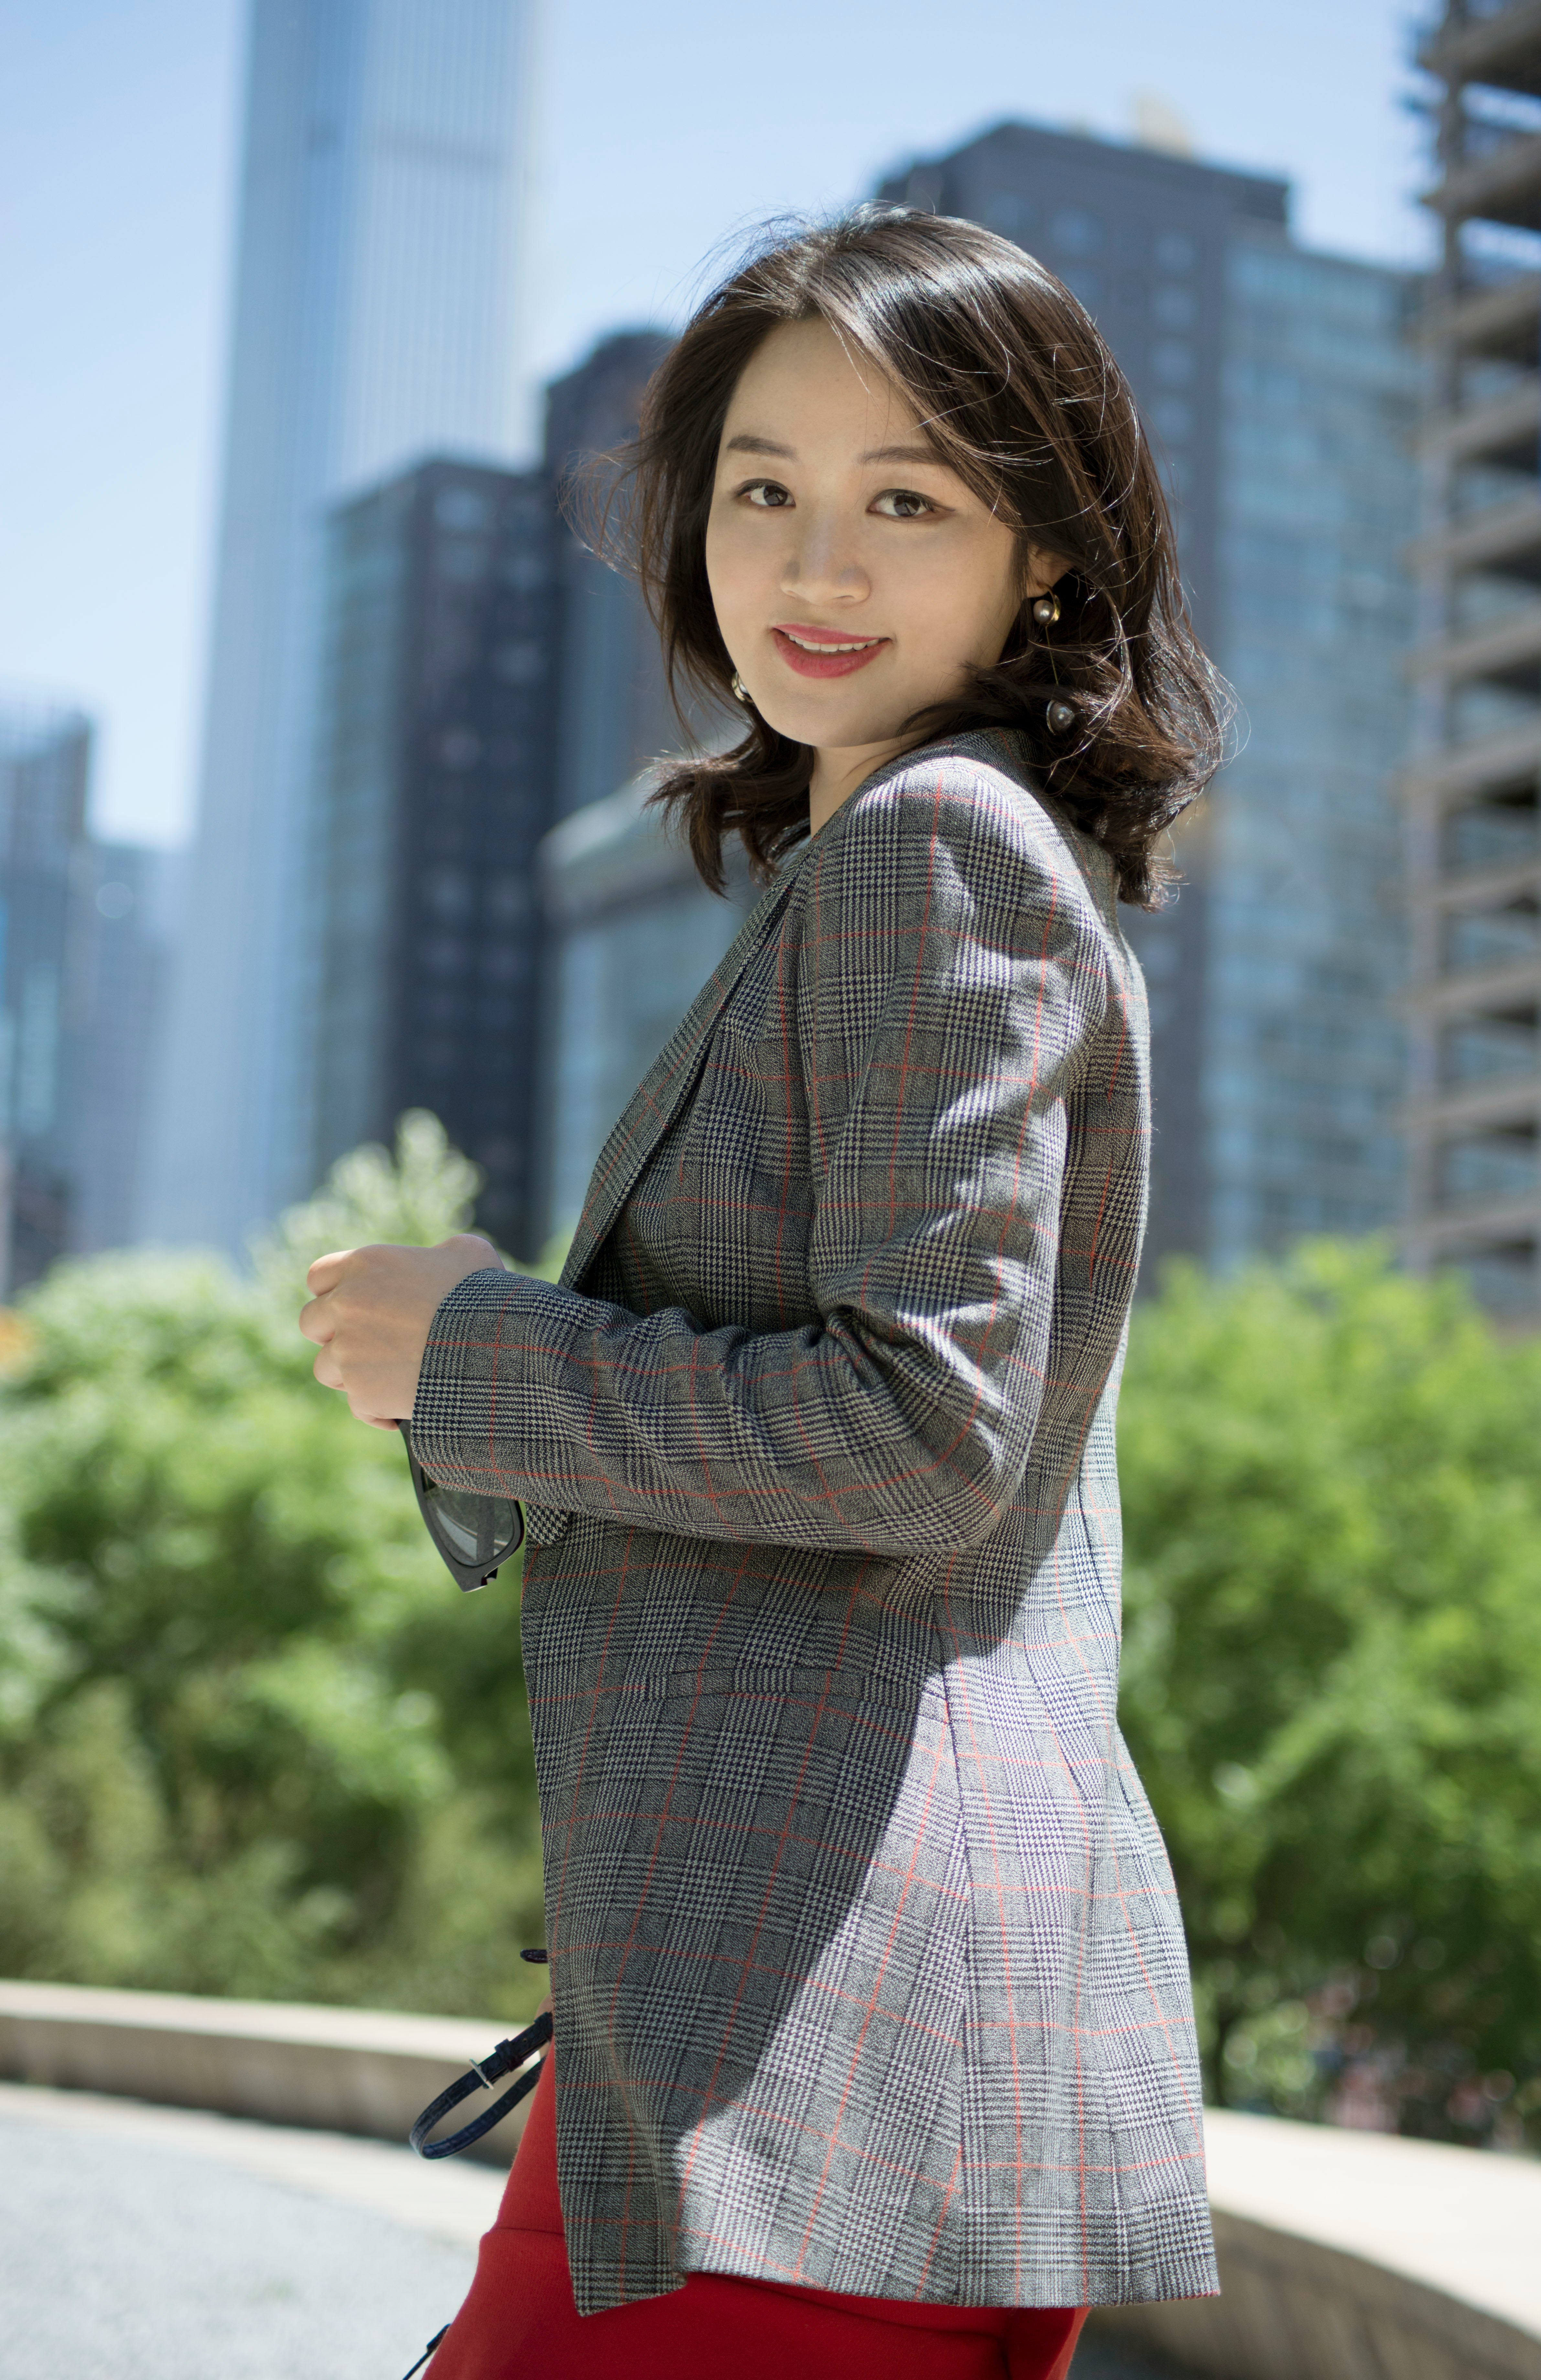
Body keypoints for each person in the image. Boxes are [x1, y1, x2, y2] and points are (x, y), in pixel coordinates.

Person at [301, 206, 1226, 2380]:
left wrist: (479, 1355)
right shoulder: (902, 856)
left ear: (1049, 561)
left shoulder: (938, 855)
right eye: (762, 494)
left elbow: (920, 1430)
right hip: (803, 2009)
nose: (816, 570)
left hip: (822, 2015)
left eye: (907, 501)